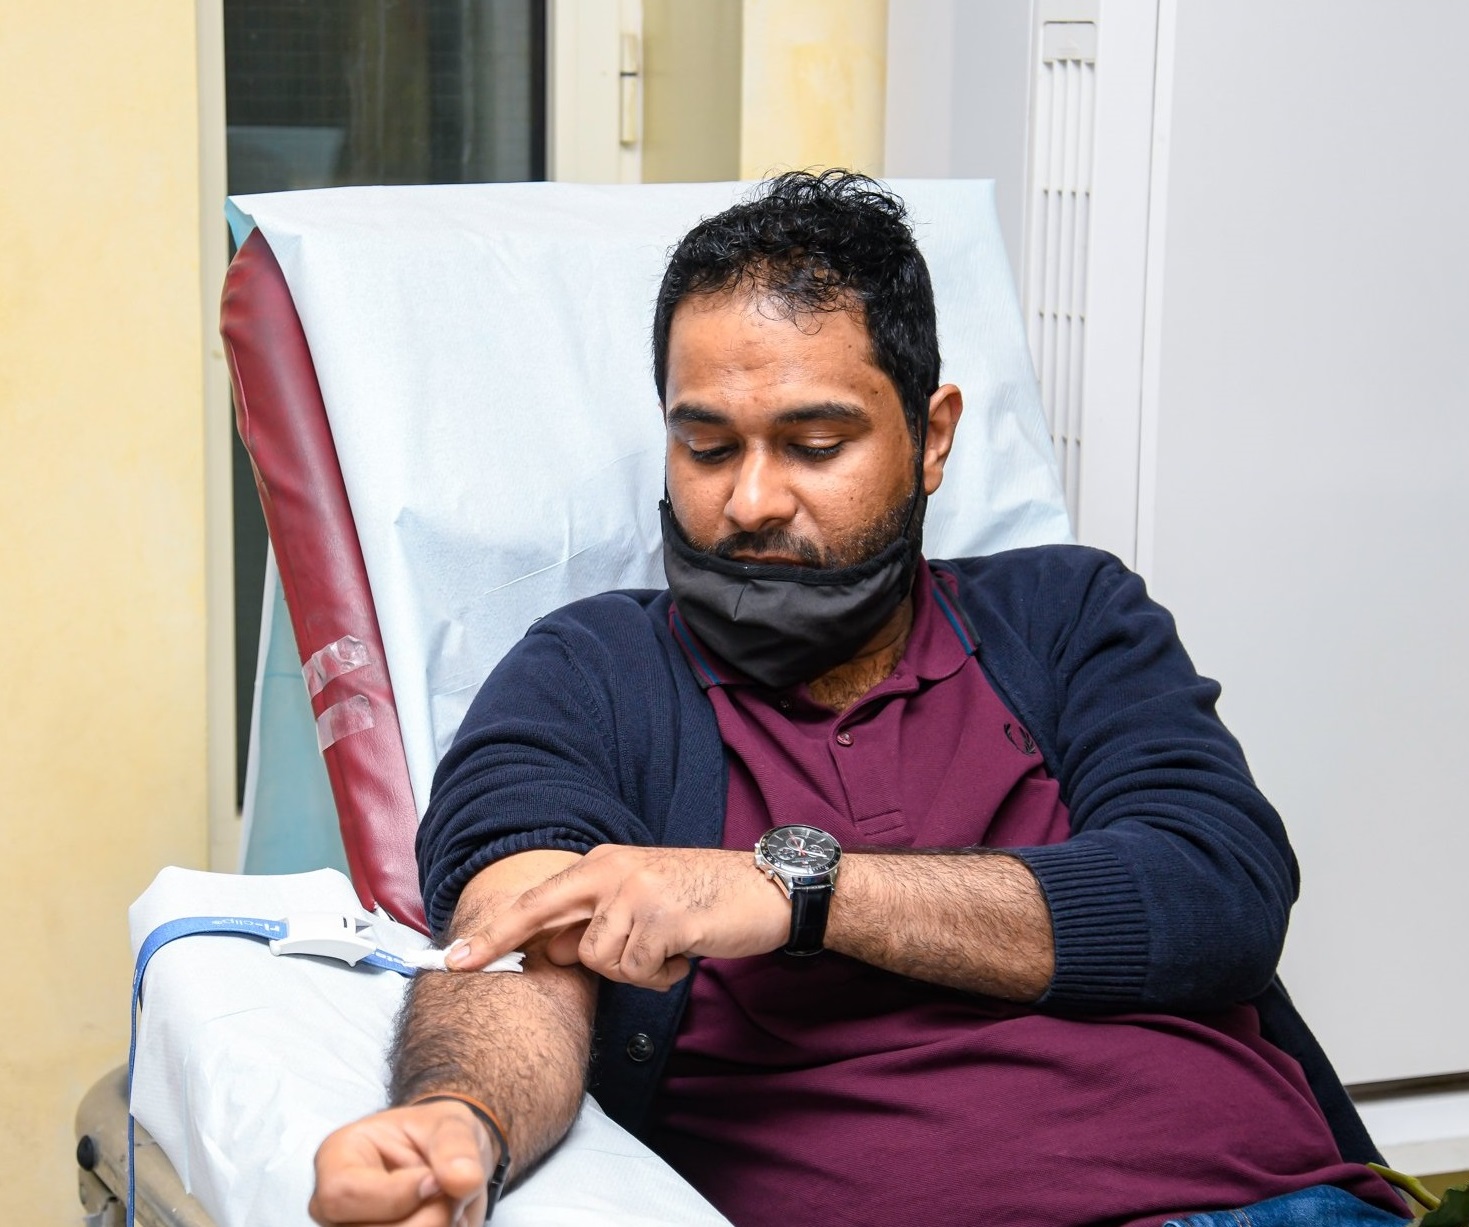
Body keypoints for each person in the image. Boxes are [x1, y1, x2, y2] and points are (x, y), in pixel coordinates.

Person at [308, 171, 1407, 1227]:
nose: (749, 500)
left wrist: (796, 893)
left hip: (1277, 1202)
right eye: (705, 446)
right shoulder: (591, 672)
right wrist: (462, 1119)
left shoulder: (1064, 614)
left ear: (931, 437)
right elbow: (515, 948)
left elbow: (1214, 894)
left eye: (815, 444)